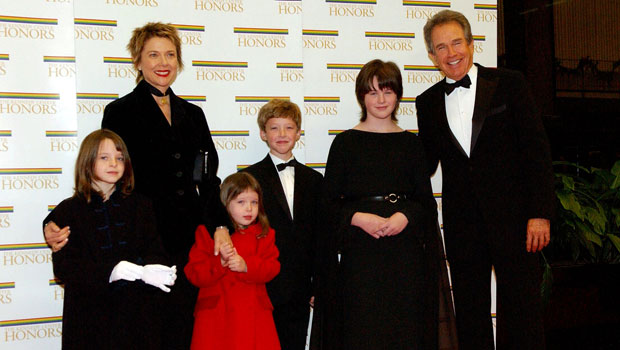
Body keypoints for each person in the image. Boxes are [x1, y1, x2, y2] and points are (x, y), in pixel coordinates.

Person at [44, 22, 231, 349]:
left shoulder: (194, 115)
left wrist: (218, 225)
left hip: (190, 243)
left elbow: (207, 178)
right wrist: (52, 225)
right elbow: (101, 180)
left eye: (171, 54)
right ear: (138, 61)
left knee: (183, 332)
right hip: (141, 243)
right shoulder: (120, 112)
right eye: (154, 54)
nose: (163, 62)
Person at [416, 9, 555, 350]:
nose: (451, 54)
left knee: (523, 311)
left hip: (517, 222)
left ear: (472, 44)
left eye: (456, 43)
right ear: (432, 56)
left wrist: (540, 213)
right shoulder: (427, 102)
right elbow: (424, 163)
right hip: (463, 226)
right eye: (441, 48)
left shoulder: (510, 83)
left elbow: (536, 151)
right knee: (470, 314)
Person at [318, 59, 443, 350]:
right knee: (363, 329)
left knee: (406, 329)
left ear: (398, 95)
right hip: (361, 255)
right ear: (362, 96)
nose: (381, 99)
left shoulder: (412, 145)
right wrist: (358, 217)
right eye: (373, 92)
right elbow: (327, 206)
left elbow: (426, 203)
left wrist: (405, 216)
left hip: (405, 254)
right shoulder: (345, 143)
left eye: (387, 91)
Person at [45, 129, 176, 349]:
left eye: (119, 158)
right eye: (104, 158)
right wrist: (109, 273)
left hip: (136, 317)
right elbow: (65, 267)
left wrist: (150, 270)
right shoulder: (68, 211)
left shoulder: (141, 206)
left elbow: (155, 249)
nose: (113, 163)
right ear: (87, 162)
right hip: (89, 320)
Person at [241, 99, 323, 350]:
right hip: (262, 284)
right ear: (263, 133)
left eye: (288, 128)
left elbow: (321, 237)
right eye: (274, 128)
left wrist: (318, 284)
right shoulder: (248, 178)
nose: (282, 134)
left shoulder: (315, 180)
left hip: (300, 286)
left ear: (298, 133)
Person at [185, 172, 281, 350]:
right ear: (225, 204)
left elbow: (272, 267)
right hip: (216, 318)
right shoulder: (207, 234)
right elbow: (193, 273)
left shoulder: (265, 234)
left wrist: (247, 266)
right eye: (241, 202)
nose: (249, 209)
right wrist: (219, 264)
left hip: (254, 316)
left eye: (254, 202)